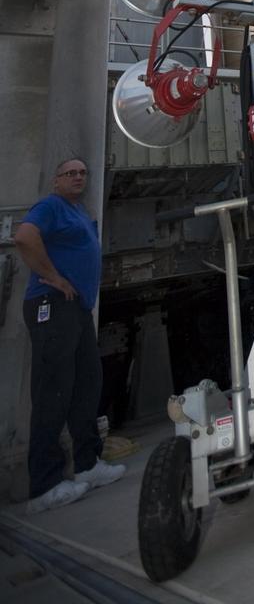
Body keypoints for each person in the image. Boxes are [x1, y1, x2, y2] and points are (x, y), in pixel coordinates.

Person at [15, 158, 126, 513]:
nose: (78, 177)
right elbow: (24, 236)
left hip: (75, 310)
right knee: (53, 391)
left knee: (85, 385)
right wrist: (55, 276)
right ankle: (43, 485)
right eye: (70, 173)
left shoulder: (77, 211)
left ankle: (87, 465)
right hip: (52, 304)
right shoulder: (50, 207)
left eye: (82, 173)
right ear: (56, 180)